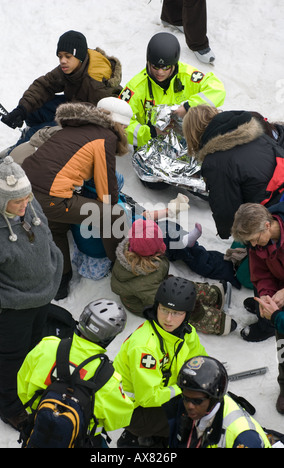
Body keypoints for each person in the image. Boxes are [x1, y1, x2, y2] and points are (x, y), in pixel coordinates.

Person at [22, 98, 132, 300]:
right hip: (52, 197)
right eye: (125, 126)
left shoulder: (74, 128)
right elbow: (107, 190)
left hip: (27, 191)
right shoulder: (105, 136)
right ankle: (122, 267)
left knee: (56, 229)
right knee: (113, 215)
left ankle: (62, 281)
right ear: (119, 123)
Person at [0, 156, 63, 430]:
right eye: (17, 203)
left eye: (27, 199)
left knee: (34, 348)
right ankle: (9, 408)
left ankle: (29, 388)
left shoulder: (27, 202)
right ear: (1, 200)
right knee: (8, 359)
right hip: (9, 310)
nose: (25, 206)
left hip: (40, 297)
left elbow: (47, 234)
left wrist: (53, 265)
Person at [0, 30, 123, 180]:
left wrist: (45, 132)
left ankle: (11, 162)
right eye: (60, 56)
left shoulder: (96, 84)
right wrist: (22, 110)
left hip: (89, 125)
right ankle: (24, 142)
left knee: (42, 132)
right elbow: (45, 85)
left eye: (67, 57)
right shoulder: (73, 65)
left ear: (79, 56)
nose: (62, 60)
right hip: (75, 107)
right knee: (34, 110)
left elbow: (97, 121)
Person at [17, 299, 134, 447]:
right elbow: (120, 418)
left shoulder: (47, 346)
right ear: (109, 338)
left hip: (40, 428)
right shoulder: (108, 377)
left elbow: (22, 386)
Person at [113, 276, 208, 448]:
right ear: (156, 306)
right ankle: (140, 436)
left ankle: (157, 435)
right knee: (191, 417)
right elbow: (148, 398)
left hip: (159, 396)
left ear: (187, 314)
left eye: (177, 313)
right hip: (132, 409)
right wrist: (183, 389)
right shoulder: (145, 347)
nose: (169, 319)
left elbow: (200, 362)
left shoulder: (187, 333)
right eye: (164, 310)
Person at [111, 218, 236, 336]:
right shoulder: (144, 284)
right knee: (178, 311)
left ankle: (211, 295)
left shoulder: (135, 250)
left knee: (179, 286)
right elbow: (166, 305)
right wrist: (195, 309)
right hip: (149, 304)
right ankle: (214, 322)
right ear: (151, 253)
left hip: (154, 285)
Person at [183, 105, 284, 239]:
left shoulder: (215, 162)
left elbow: (226, 209)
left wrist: (228, 232)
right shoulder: (253, 131)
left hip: (274, 210)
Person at [119, 32, 225, 148]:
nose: (160, 72)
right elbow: (118, 122)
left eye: (166, 67)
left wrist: (188, 106)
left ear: (174, 65)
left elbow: (217, 90)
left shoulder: (187, 76)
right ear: (148, 62)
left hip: (188, 139)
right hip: (151, 145)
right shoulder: (135, 87)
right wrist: (150, 132)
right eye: (155, 67)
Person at [231, 202, 284, 413]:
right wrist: (266, 297)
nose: (253, 244)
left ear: (267, 225)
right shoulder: (257, 244)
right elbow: (261, 274)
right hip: (278, 293)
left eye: (254, 238)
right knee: (282, 346)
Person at [173, 356, 271, 448]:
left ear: (214, 399)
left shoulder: (244, 438)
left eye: (197, 401)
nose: (189, 406)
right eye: (186, 398)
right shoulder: (200, 406)